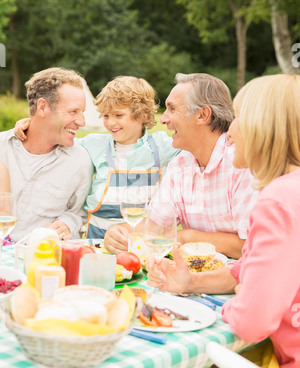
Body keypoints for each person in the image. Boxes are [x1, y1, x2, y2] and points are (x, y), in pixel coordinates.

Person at [148, 74, 300, 368]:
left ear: (264, 128)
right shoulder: (290, 189)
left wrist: (244, 295)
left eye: (240, 117)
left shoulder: (276, 201)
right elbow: (248, 266)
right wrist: (190, 283)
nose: (230, 129)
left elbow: (250, 323)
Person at [104, 73, 258, 259]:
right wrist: (122, 231)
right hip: (194, 276)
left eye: (172, 109)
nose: (163, 119)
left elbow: (251, 245)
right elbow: (156, 224)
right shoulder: (181, 164)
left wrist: (189, 236)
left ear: (202, 115)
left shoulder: (242, 162)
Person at [14, 76, 180, 239]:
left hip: (142, 241)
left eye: (118, 115)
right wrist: (32, 124)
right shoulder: (95, 144)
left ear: (142, 115)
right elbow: (58, 137)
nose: (110, 123)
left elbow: (195, 144)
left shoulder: (161, 147)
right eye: (106, 116)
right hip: (97, 241)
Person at [0, 67, 93, 241]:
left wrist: (67, 224)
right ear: (43, 107)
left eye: (82, 112)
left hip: (40, 257)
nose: (82, 121)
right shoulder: (2, 147)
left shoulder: (80, 161)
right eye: (73, 111)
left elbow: (77, 213)